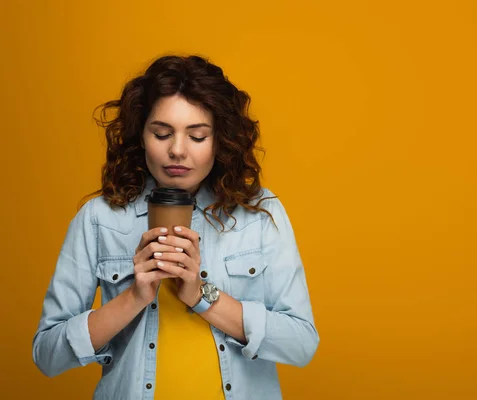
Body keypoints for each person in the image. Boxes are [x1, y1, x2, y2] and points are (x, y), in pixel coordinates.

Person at [32, 55, 319, 400]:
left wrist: (202, 296)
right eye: (162, 133)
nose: (177, 151)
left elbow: (302, 344)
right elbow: (47, 355)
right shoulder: (99, 218)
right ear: (141, 135)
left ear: (220, 140)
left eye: (197, 136)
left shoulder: (258, 214)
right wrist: (134, 297)